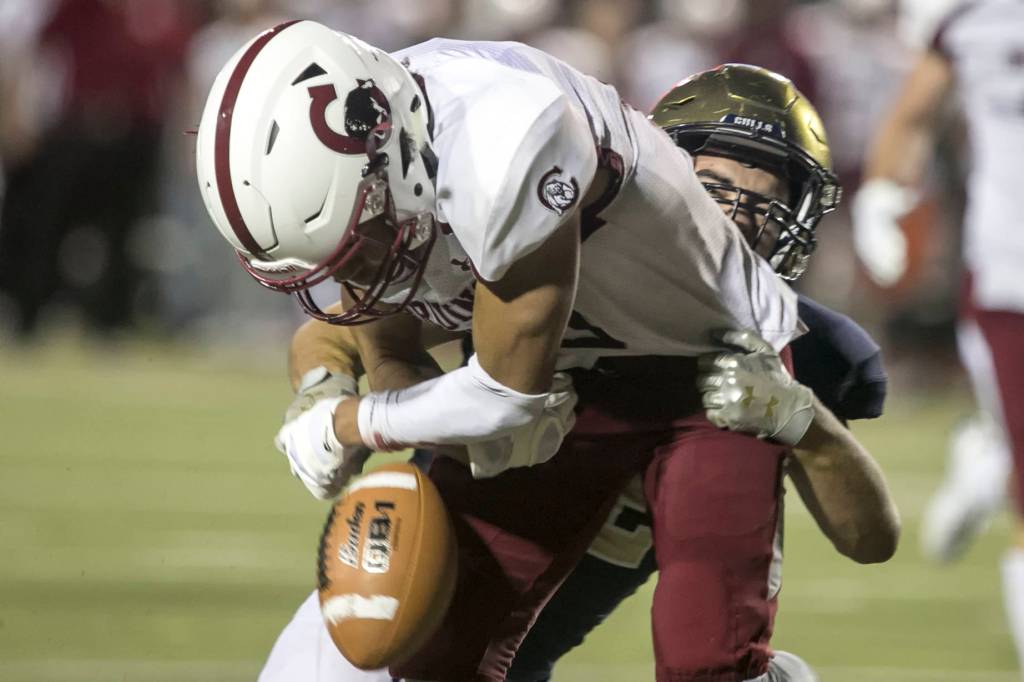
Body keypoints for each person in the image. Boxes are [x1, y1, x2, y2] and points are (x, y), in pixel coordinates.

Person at [196, 21, 856, 681]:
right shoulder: (386, 137)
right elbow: (356, 333)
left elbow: (507, 397)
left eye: (763, 201)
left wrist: (349, 423)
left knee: (704, 666)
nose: (735, 216)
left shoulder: (506, 149)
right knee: (413, 662)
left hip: (678, 395)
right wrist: (335, 394)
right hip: (541, 436)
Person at [850, 0, 1024, 669]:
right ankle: (999, 451)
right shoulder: (975, 18)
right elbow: (913, 115)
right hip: (1013, 278)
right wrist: (881, 197)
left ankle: (992, 451)